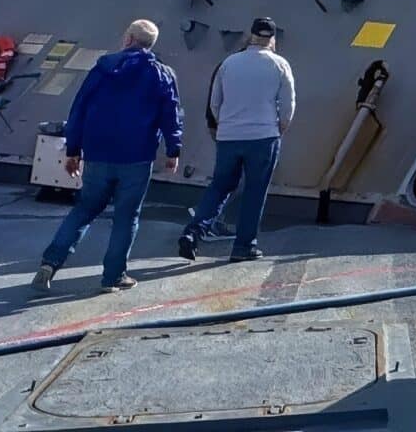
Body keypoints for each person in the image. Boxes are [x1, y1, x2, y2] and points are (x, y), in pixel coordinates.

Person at [35, 20, 182, 293]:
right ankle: (113, 276)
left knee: (84, 210)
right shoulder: (161, 73)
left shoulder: (101, 70)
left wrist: (73, 151)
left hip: (98, 154)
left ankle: (50, 263)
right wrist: (173, 150)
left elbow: (79, 109)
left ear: (128, 39)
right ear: (150, 44)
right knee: (126, 217)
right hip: (137, 157)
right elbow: (170, 114)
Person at [180, 16, 294, 262]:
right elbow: (287, 107)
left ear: (251, 36)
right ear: (272, 39)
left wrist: (227, 125)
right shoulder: (280, 65)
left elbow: (214, 103)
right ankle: (244, 246)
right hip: (264, 137)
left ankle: (193, 232)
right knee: (255, 191)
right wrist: (278, 129)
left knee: (219, 186)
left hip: (229, 137)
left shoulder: (229, 63)